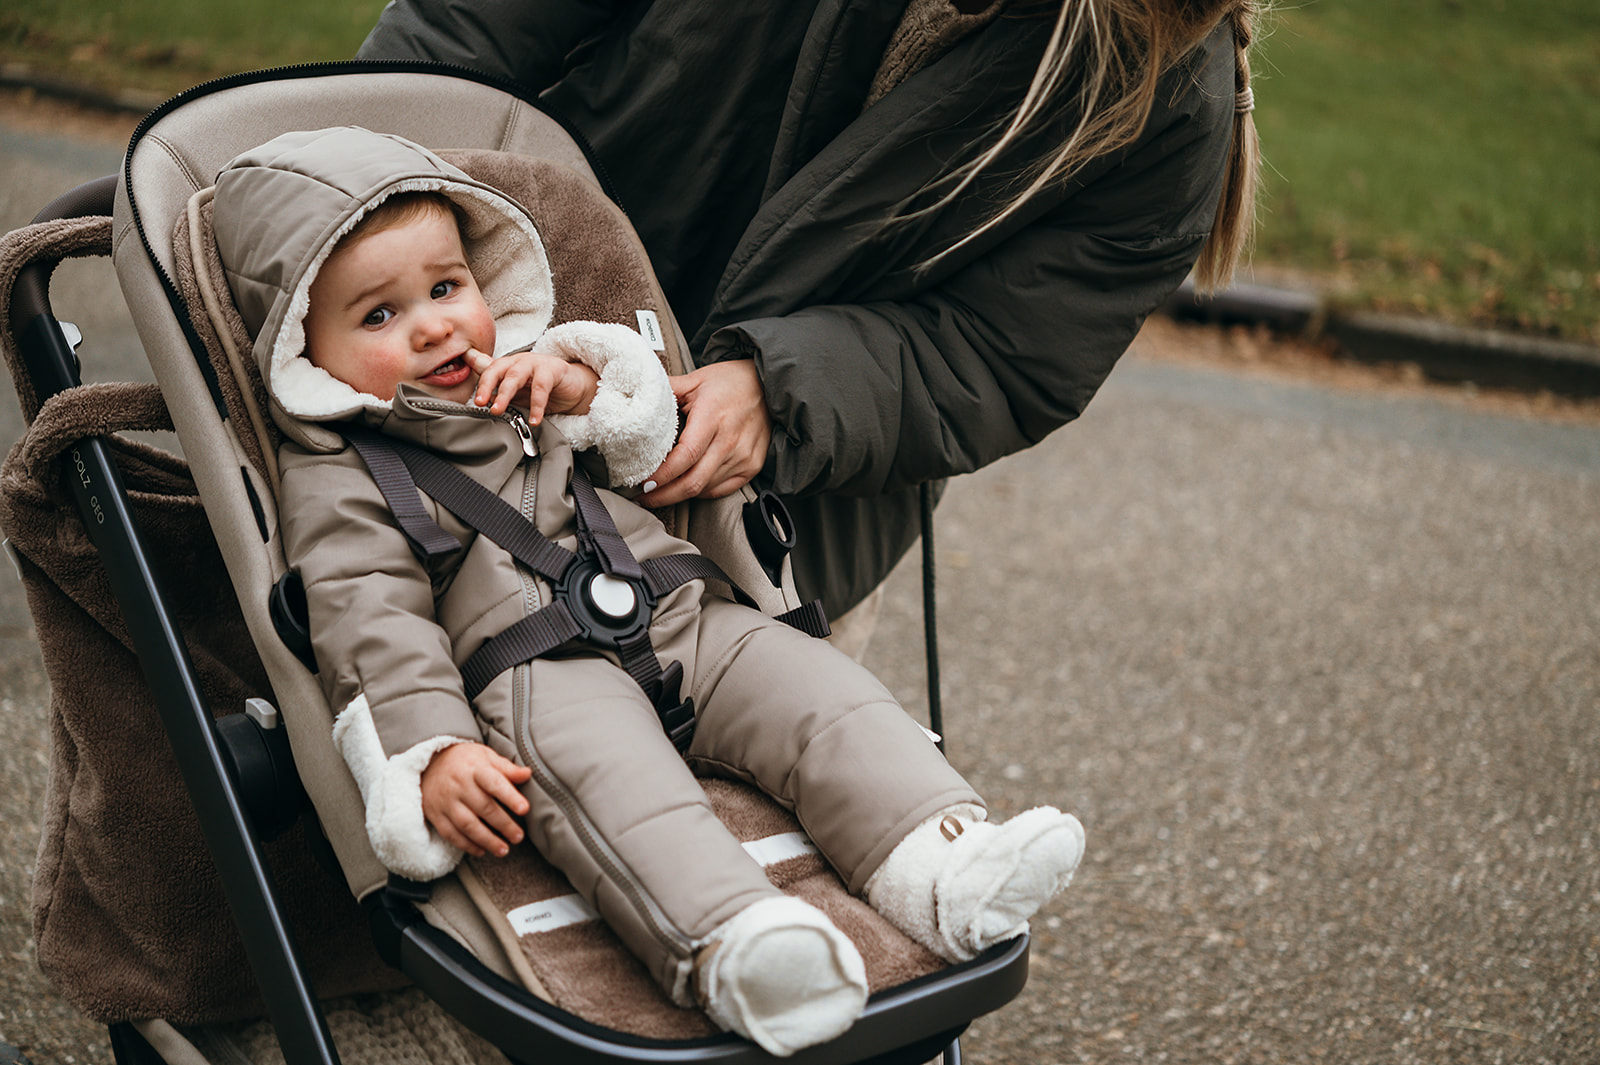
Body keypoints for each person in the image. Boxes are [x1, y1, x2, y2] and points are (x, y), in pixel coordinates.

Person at [209, 126, 1085, 1057]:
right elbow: (366, 615)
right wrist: (430, 748)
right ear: (308, 353)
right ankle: (735, 942)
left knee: (823, 696)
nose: (431, 324)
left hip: (680, 610)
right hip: (536, 671)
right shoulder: (340, 472)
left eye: (444, 287)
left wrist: (585, 388)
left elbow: (652, 448)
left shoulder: (535, 371)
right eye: (378, 317)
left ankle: (940, 862)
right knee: (623, 791)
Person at [357, 0, 1265, 628]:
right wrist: (346, 192)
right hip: (487, 348)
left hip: (775, 519)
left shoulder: (1173, 95)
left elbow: (1001, 352)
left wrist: (782, 390)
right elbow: (463, 29)